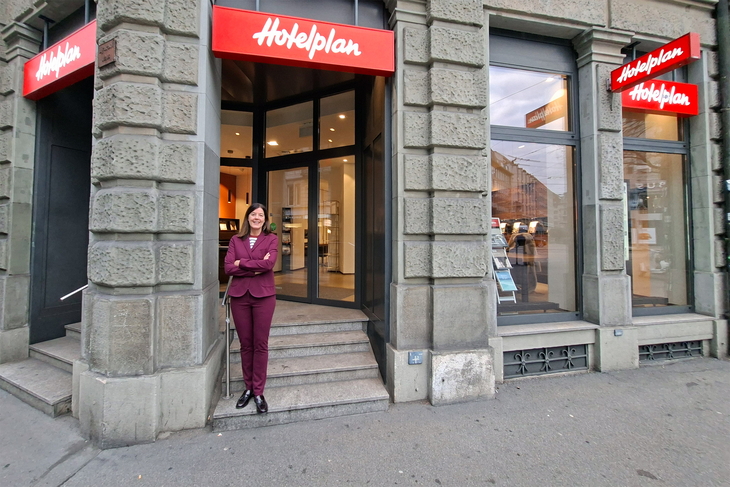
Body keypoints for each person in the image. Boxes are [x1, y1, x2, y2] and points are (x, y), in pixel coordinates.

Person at [224, 203, 279, 414]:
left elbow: (269, 265)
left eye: (260, 215)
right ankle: (248, 388)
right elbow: (228, 267)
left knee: (260, 344)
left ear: (265, 219)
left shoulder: (271, 239)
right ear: (248, 217)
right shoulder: (235, 240)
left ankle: (258, 391)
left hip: (264, 296)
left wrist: (242, 263)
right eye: (253, 214)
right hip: (240, 296)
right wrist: (254, 267)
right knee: (245, 344)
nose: (257, 218)